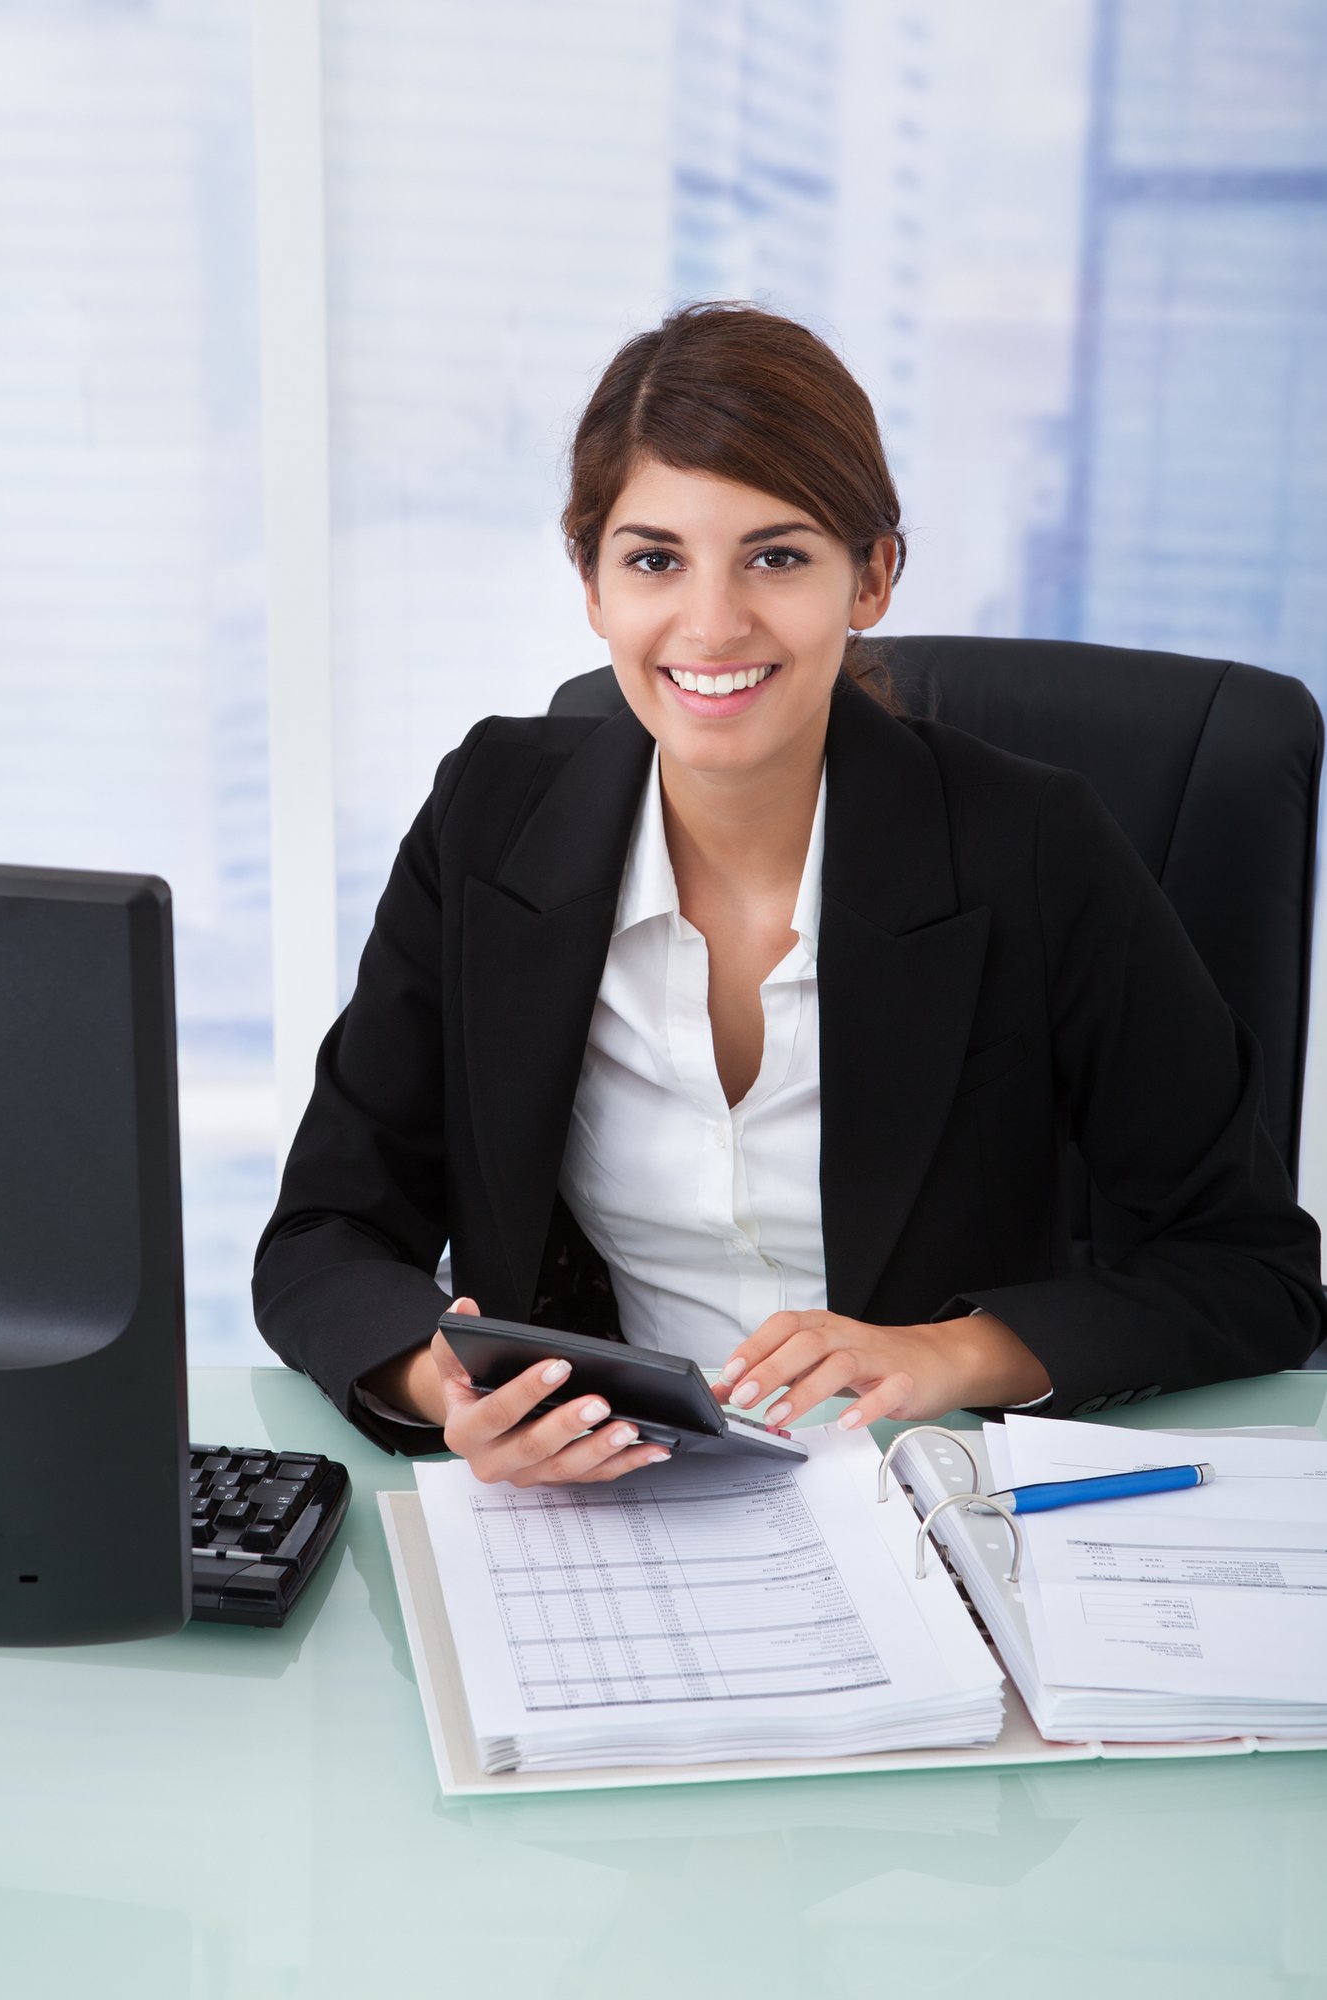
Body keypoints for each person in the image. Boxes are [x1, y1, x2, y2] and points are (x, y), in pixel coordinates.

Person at [252, 300, 1324, 1485]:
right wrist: (447, 1384)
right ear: (593, 584)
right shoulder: (489, 817)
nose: (711, 624)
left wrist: (946, 1354)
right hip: (600, 1509)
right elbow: (325, 1234)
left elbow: (1249, 1269)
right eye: (655, 558)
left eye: (776, 555)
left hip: (936, 1495)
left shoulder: (1032, 845)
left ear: (869, 577)